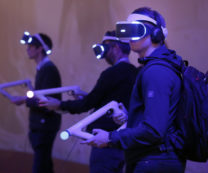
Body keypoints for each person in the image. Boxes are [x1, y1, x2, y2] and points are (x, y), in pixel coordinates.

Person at [83, 7, 186, 173]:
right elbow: (160, 120)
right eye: (127, 30)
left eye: (136, 30)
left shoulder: (156, 72)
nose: (130, 36)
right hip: (154, 159)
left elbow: (154, 131)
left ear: (156, 34)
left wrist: (110, 138)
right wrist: (129, 119)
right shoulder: (156, 68)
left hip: (154, 161)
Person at [40, 31, 138, 173]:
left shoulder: (111, 73)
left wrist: (59, 105)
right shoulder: (135, 73)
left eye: (105, 47)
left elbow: (87, 104)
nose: (103, 54)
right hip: (123, 141)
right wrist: (86, 97)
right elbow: (111, 100)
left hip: (104, 141)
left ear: (116, 47)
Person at [11, 32, 62, 173]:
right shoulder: (44, 69)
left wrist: (23, 99)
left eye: (31, 46)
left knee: (40, 167)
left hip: (44, 125)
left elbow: (46, 101)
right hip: (41, 125)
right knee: (44, 165)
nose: (27, 49)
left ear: (40, 49)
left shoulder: (49, 70)